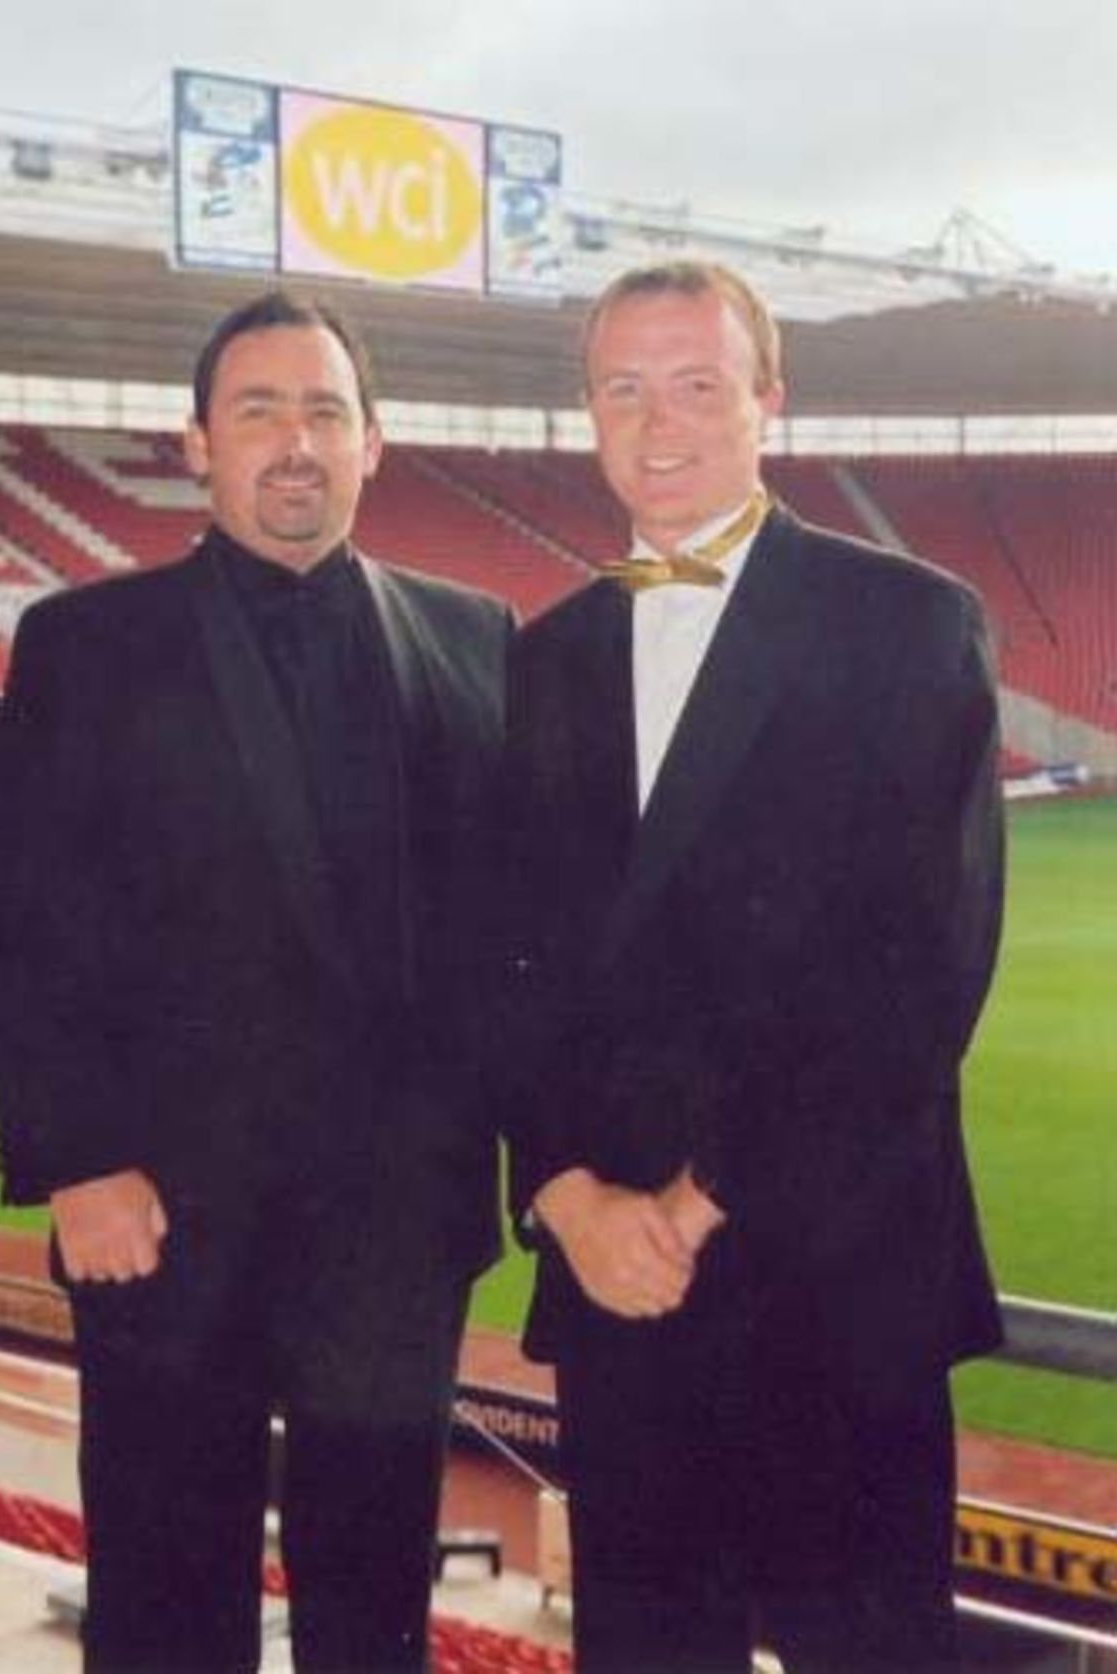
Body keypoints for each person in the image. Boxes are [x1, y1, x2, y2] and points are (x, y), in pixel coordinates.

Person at [0, 289, 511, 1674]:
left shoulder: (478, 636)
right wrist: (77, 1160)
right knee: (162, 1602)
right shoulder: (85, 641)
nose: (295, 441)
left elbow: (520, 935)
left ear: (375, 442)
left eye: (325, 409)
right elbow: (13, 912)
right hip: (159, 1216)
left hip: (395, 1234)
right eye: (258, 410)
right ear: (196, 443)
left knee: (375, 1605)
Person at [500, 261, 1004, 1672]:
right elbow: (510, 972)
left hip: (831, 1283)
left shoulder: (906, 623)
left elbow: (916, 983)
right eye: (623, 386)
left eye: (699, 382)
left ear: (768, 402)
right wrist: (565, 1194)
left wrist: (694, 1200)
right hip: (618, 1296)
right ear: (587, 413)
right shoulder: (543, 660)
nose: (659, 421)